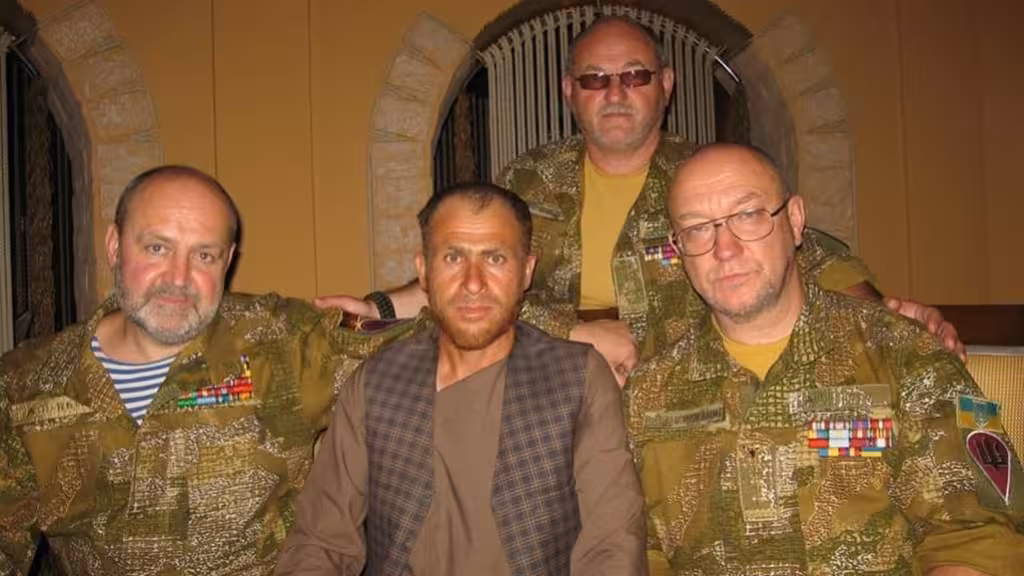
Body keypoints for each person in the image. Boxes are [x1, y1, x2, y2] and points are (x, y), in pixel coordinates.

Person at [317, 16, 961, 385]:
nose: (616, 92)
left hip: (690, 396)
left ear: (666, 85)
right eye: (596, 79)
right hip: (550, 391)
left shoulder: (707, 179)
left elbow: (813, 259)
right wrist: (375, 307)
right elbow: (465, 276)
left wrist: (891, 320)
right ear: (570, 92)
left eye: (634, 76)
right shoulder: (527, 180)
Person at [628, 143, 1024, 575]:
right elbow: (635, 551)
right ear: (678, 248)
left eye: (748, 215)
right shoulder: (647, 392)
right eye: (697, 229)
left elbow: (978, 535)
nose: (725, 248)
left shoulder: (907, 355)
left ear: (795, 220)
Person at [0, 166, 412, 575]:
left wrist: (380, 307)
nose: (179, 278)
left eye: (203, 255)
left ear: (227, 261)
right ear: (114, 246)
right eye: (157, 248)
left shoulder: (280, 345)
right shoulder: (26, 384)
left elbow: (439, 321)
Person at [274, 183, 645, 575]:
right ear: (424, 271)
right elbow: (321, 542)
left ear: (526, 272)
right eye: (453, 257)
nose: (473, 282)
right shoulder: (376, 385)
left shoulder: (576, 379)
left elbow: (612, 546)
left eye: (495, 258)